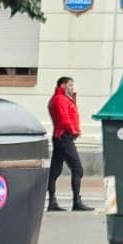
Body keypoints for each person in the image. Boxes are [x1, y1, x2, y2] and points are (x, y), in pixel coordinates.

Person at [48, 76, 90, 211]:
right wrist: (74, 130)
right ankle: (76, 201)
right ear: (62, 86)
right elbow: (64, 118)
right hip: (64, 136)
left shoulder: (62, 99)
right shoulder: (60, 99)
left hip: (60, 136)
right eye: (70, 85)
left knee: (55, 170)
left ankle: (52, 202)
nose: (72, 88)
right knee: (77, 169)